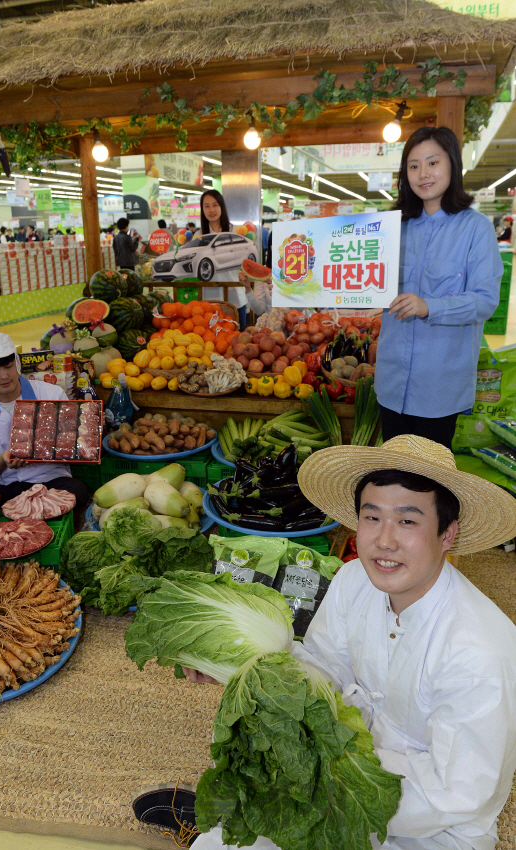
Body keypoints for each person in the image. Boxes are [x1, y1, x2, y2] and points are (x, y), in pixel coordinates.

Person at [165, 435, 516, 850]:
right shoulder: (354, 581)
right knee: (219, 845)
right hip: (335, 773)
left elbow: (456, 794)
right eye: (372, 518)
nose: (384, 541)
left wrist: (310, 784)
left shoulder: (480, 649)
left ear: (447, 534)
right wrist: (242, 659)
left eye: (408, 521)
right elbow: (323, 671)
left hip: (432, 830)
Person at [375, 126, 503, 449]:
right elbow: (375, 285)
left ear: (452, 165)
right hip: (391, 383)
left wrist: (429, 306)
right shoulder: (393, 227)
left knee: (430, 483)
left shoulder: (476, 229)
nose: (423, 174)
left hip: (439, 388)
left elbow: (485, 300)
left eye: (432, 163)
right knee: (393, 474)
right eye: (413, 166)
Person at [0, 332, 88, 507]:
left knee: (78, 490)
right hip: (2, 484)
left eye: (8, 366)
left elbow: (72, 446)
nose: (4, 375)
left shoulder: (52, 394)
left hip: (48, 481)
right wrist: (4, 459)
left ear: (17, 363)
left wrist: (84, 433)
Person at [197, 189, 249, 330]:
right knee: (213, 341)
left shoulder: (236, 232)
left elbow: (248, 262)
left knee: (238, 341)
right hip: (209, 299)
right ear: (202, 209)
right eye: (207, 206)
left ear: (221, 207)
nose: (211, 210)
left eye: (215, 205)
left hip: (235, 296)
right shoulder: (198, 237)